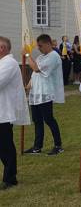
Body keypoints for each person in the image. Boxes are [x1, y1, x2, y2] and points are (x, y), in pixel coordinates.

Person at [24, 34, 65, 155]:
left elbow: (37, 69)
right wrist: (28, 86)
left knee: (49, 119)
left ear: (48, 43)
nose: (39, 48)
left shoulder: (53, 56)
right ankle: (37, 146)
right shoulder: (41, 56)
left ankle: (58, 145)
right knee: (37, 120)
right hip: (36, 92)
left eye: (40, 46)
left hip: (45, 92)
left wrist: (27, 55)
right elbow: (34, 74)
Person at [0, 37, 31, 190]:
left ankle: (10, 178)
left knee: (5, 145)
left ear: (2, 48)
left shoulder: (9, 63)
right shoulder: (3, 63)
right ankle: (9, 175)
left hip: (4, 111)